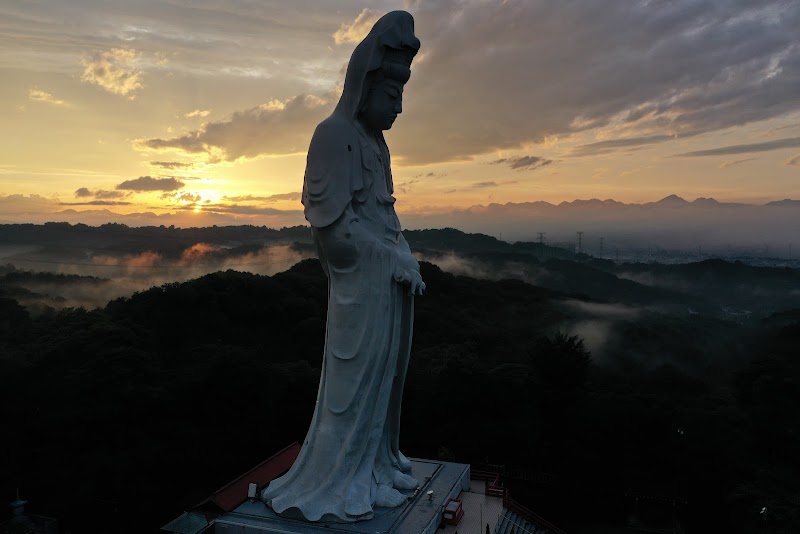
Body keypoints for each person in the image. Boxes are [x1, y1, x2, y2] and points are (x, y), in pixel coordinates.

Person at [260, 11, 424, 523]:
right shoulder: (334, 135)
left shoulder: (377, 144)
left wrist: (404, 254)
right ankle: (342, 475)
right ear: (365, 85)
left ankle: (375, 463)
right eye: (391, 95)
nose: (398, 106)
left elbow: (386, 215)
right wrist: (393, 259)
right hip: (363, 290)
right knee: (354, 386)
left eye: (402, 96)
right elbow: (336, 238)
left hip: (388, 288)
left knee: (388, 378)